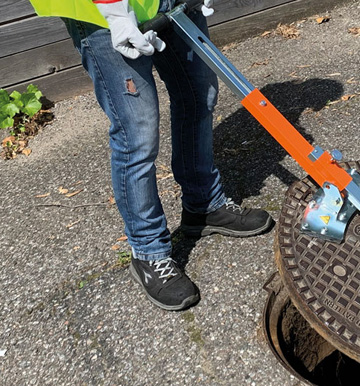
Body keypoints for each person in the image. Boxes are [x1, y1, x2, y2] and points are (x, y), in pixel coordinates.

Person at [29, 0, 273, 311]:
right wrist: (115, 11)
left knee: (200, 94)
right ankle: (148, 252)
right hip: (102, 14)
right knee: (138, 132)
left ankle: (204, 205)